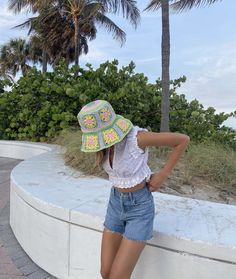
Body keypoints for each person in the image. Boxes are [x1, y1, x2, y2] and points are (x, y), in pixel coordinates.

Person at [77, 99, 190, 279]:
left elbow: (182, 140)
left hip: (139, 208)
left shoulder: (136, 138)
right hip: (115, 204)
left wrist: (162, 175)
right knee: (105, 273)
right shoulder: (105, 147)